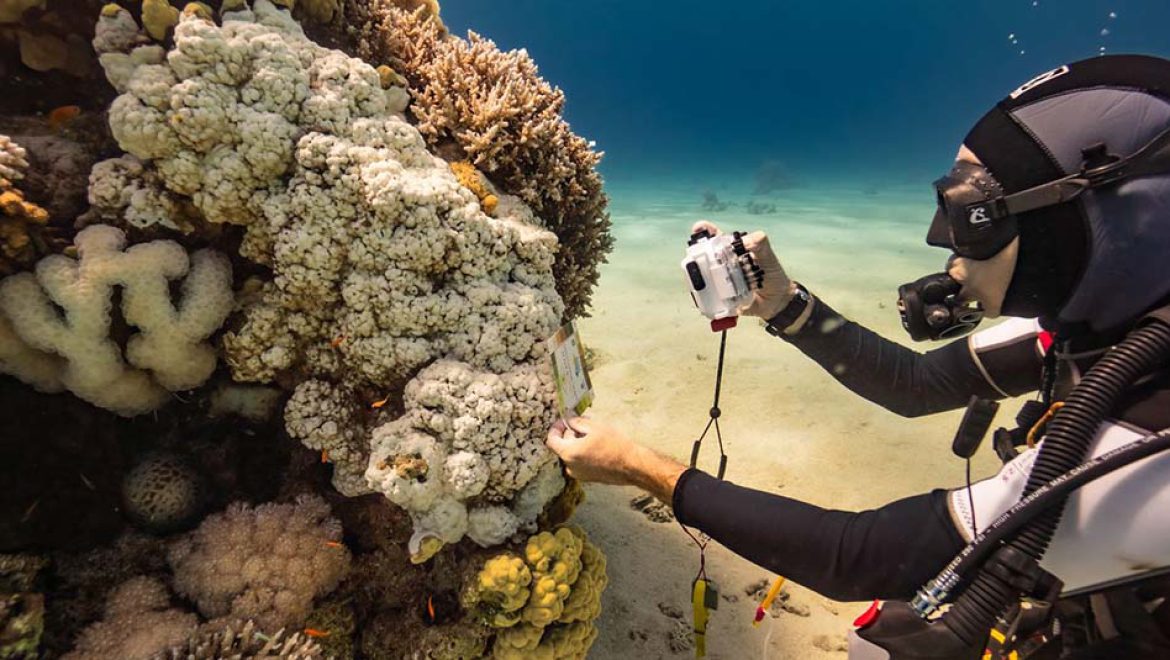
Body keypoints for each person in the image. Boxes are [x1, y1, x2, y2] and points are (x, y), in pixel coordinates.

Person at [546, 54, 1170, 658]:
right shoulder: (1104, 335)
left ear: (1113, 219)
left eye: (972, 215)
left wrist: (634, 465)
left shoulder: (1150, 447)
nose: (944, 242)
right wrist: (785, 305)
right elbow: (918, 383)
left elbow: (855, 557)